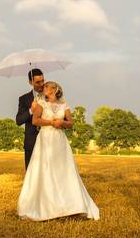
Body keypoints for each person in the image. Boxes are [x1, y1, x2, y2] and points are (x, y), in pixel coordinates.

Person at [17, 80, 100, 221]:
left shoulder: (64, 105)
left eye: (47, 86)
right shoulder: (40, 104)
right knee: (46, 170)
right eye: (44, 86)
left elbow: (70, 123)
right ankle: (49, 207)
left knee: (64, 171)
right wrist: (51, 122)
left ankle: (71, 206)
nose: (44, 87)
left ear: (55, 89)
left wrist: (62, 123)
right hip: (45, 139)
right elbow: (35, 121)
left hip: (60, 141)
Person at [15, 68, 45, 170]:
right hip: (31, 142)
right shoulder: (23, 99)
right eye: (38, 82)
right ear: (30, 82)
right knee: (31, 174)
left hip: (48, 141)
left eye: (43, 81)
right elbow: (18, 120)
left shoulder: (50, 96)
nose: (41, 84)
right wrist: (31, 110)